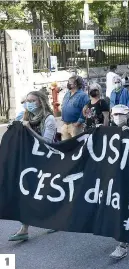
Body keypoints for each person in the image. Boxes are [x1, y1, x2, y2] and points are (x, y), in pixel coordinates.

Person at [8, 90, 57, 241]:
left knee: (45, 193)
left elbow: (47, 142)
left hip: (46, 159)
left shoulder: (49, 119)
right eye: (27, 100)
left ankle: (56, 219)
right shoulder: (25, 116)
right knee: (26, 193)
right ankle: (24, 229)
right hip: (28, 160)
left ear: (40, 102)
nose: (28, 103)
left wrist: (28, 129)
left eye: (32, 100)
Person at [108, 104, 129, 260]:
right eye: (115, 115)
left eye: (121, 115)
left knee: (127, 207)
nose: (118, 117)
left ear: (128, 116)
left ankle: (122, 244)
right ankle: (126, 236)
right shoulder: (108, 131)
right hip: (114, 176)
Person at [61, 76, 89, 140]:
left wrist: (78, 123)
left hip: (75, 126)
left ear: (75, 84)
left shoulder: (83, 95)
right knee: (65, 146)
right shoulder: (67, 94)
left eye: (69, 82)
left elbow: (86, 109)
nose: (68, 84)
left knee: (77, 146)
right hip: (65, 125)